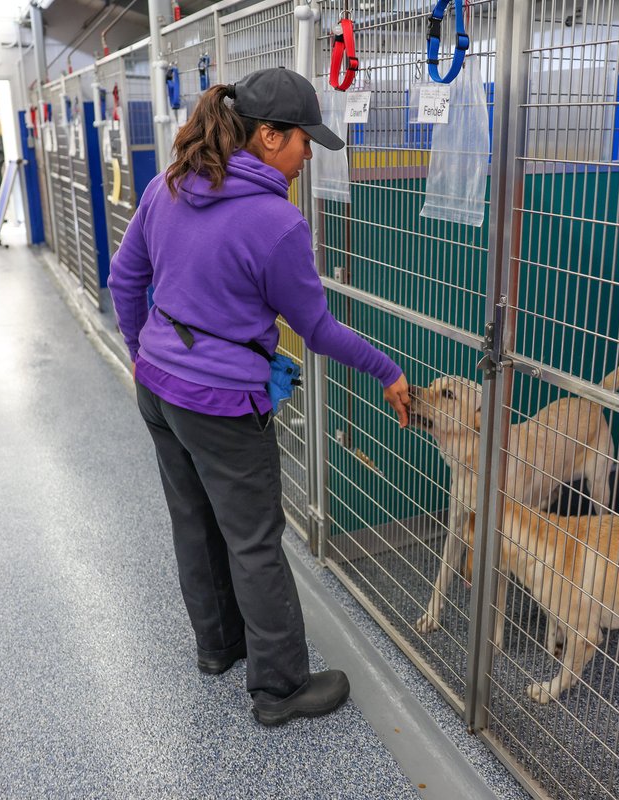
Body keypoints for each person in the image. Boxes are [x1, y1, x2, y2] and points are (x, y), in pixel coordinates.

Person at [108, 67, 411, 726]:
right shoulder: (276, 221)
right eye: (304, 141)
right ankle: (280, 690)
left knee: (194, 521)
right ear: (269, 136)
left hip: (159, 391)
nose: (309, 156)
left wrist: (140, 354)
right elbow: (318, 331)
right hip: (221, 405)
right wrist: (386, 370)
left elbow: (124, 278)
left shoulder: (169, 186)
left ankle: (219, 648)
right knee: (255, 542)